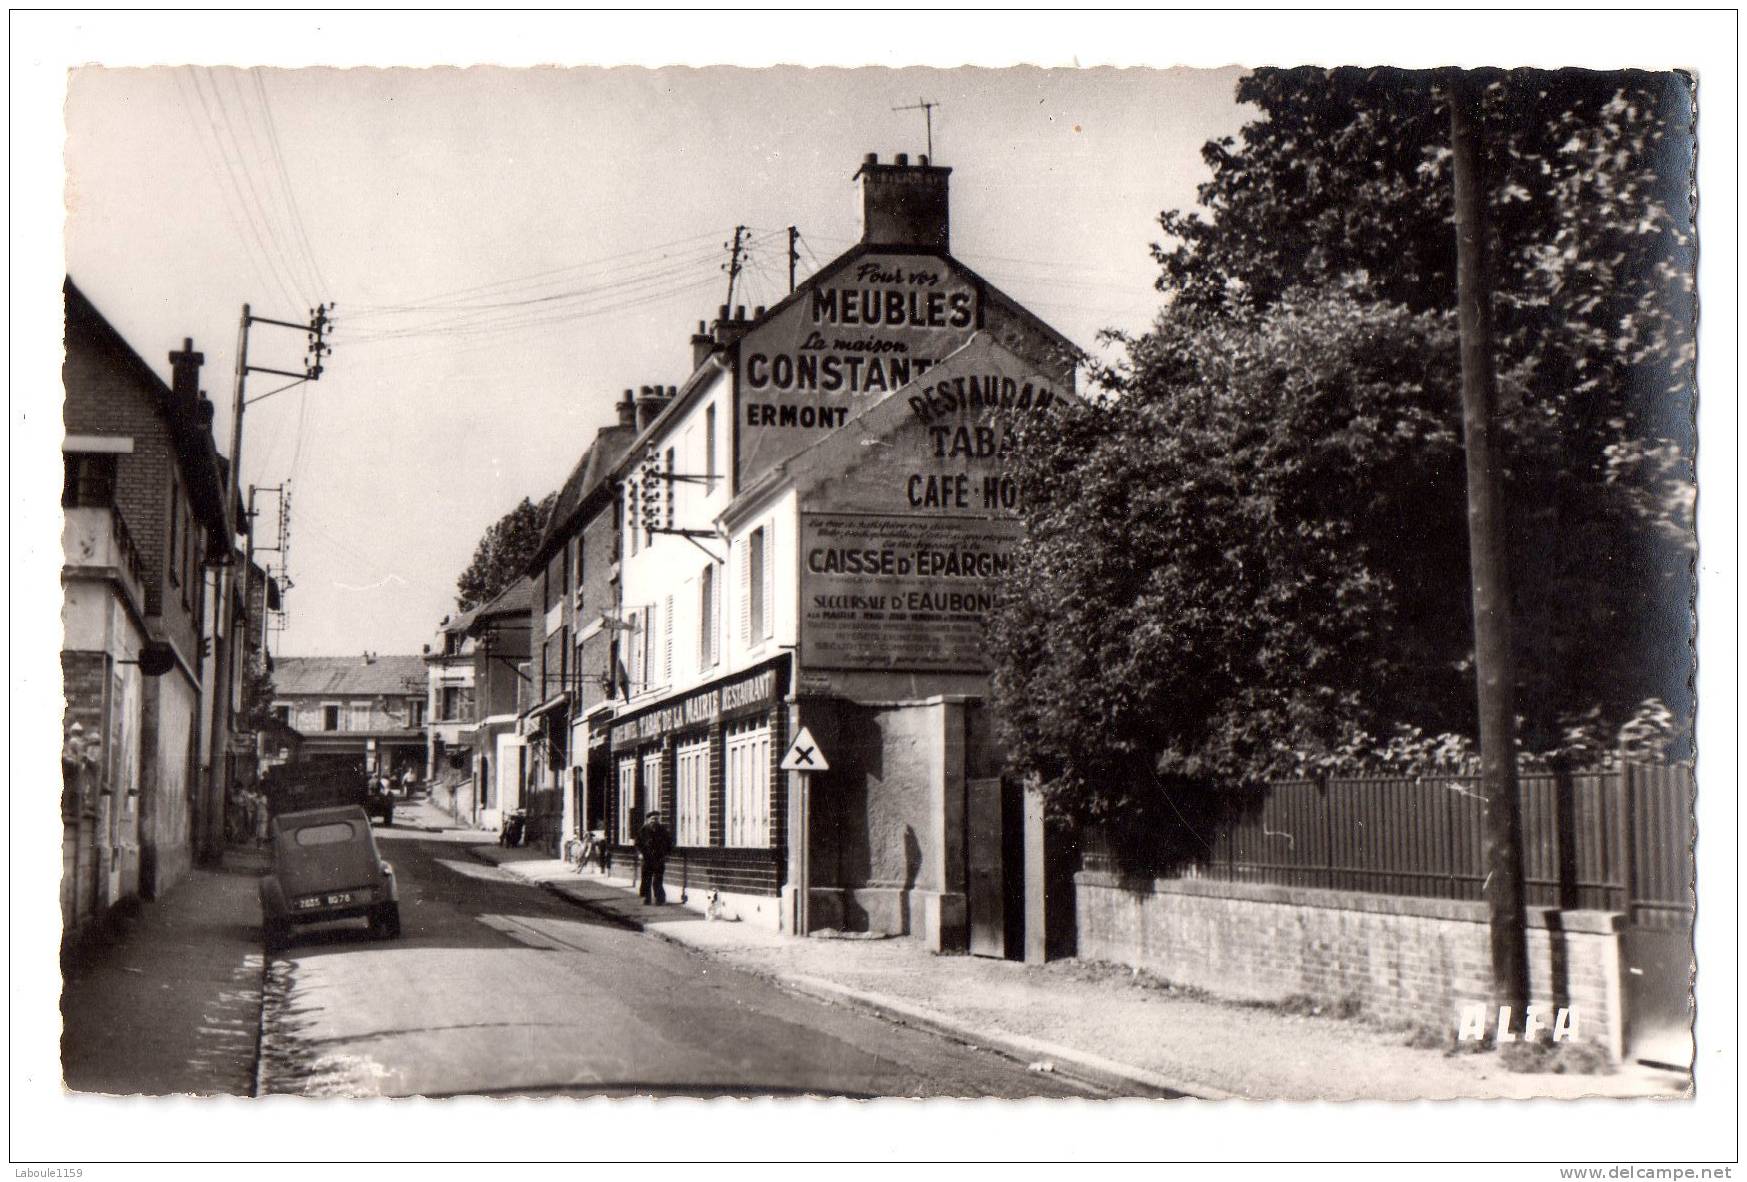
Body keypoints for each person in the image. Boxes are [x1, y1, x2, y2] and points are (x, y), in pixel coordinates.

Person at [635, 809, 673, 905]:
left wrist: (667, 854)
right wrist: (640, 853)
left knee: (658, 880)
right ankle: (647, 899)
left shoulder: (663, 830)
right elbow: (637, 843)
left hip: (659, 858)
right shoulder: (643, 830)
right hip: (647, 858)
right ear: (648, 820)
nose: (654, 821)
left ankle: (659, 899)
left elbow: (669, 843)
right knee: (646, 879)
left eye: (656, 819)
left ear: (658, 820)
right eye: (652, 819)